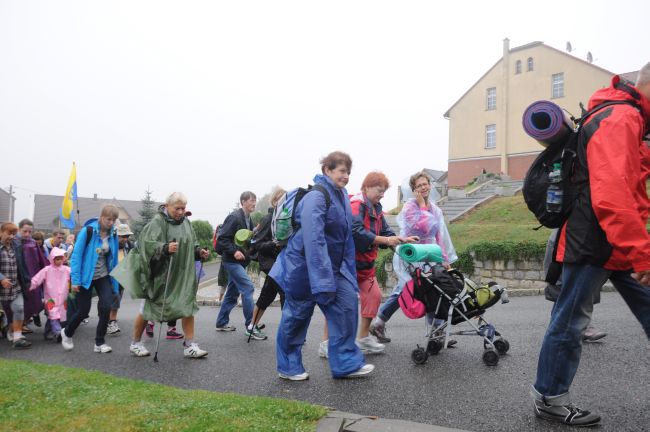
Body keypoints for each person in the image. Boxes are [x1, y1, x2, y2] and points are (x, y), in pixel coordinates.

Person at [531, 68, 650, 427]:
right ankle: (550, 397)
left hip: (613, 239)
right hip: (594, 238)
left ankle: (549, 393)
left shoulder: (625, 115)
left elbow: (631, 181)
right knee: (570, 320)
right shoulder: (621, 116)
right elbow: (613, 195)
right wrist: (642, 252)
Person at [270, 151, 374, 380]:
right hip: (302, 268)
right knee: (296, 317)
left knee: (347, 306)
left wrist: (346, 272)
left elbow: (345, 238)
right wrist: (323, 281)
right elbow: (313, 240)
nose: (346, 176)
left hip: (332, 268)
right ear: (327, 170)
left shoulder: (341, 196)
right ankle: (288, 366)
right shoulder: (317, 197)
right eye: (341, 171)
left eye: (348, 171)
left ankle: (346, 363)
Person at [112, 192, 210, 358]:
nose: (180, 212)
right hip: (160, 276)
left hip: (181, 276)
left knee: (187, 306)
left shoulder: (186, 222)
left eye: (183, 208)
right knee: (147, 309)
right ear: (167, 206)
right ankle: (135, 343)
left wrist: (199, 252)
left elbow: (191, 244)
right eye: (177, 208)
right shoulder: (157, 222)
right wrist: (164, 248)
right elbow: (145, 246)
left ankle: (189, 345)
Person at [370, 170, 458, 344]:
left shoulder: (435, 209)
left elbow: (439, 235)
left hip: (430, 253)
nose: (423, 187)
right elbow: (424, 227)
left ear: (430, 185)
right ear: (413, 190)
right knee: (407, 288)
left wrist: (444, 258)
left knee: (433, 288)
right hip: (412, 254)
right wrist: (422, 206)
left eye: (425, 184)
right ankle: (379, 321)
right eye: (419, 186)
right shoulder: (410, 206)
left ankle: (436, 331)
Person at [349, 172, 418, 355]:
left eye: (384, 192)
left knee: (374, 297)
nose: (382, 195)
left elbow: (387, 231)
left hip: (365, 265)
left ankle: (363, 339)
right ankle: (329, 344)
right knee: (343, 306)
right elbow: (355, 232)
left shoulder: (376, 207)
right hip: (348, 265)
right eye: (379, 191)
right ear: (366, 187)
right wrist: (385, 241)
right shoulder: (357, 205)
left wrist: (402, 239)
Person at [60, 204, 120, 353]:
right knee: (83, 311)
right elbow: (76, 257)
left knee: (106, 306)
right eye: (108, 219)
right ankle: (67, 332)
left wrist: (115, 284)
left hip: (103, 276)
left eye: (114, 220)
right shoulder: (88, 231)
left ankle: (99, 342)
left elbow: (114, 260)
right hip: (85, 277)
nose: (111, 223)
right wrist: (75, 280)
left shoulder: (113, 234)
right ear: (101, 217)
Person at [543, 229, 606, 341]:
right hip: (563, 253)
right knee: (565, 291)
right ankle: (580, 327)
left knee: (573, 292)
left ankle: (563, 327)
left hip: (576, 247)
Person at [214, 191, 261, 338]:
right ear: (243, 202)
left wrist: (254, 232)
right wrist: (234, 252)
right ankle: (251, 326)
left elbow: (243, 239)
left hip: (240, 262)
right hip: (231, 261)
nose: (254, 203)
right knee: (248, 287)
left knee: (232, 293)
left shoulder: (248, 219)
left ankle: (221, 323)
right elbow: (222, 239)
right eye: (251, 200)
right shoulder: (234, 217)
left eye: (255, 200)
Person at [247, 188, 287, 340]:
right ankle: (287, 330)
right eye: (280, 199)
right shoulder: (268, 218)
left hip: (279, 262)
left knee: (267, 295)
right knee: (284, 292)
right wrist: (274, 244)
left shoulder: (284, 219)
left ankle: (251, 326)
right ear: (274, 201)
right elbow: (257, 244)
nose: (283, 202)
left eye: (285, 199)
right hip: (269, 263)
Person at [0, 222, 32, 348]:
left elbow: (22, 265)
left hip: (15, 286)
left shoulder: (17, 245)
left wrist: (27, 280)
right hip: (1, 287)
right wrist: (1, 278)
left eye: (14, 234)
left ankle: (17, 338)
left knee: (19, 309)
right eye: (9, 233)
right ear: (1, 232)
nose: (12, 237)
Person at [29, 247, 70, 340]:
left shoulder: (67, 270)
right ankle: (58, 332)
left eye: (61, 259)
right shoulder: (47, 270)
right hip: (51, 297)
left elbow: (74, 278)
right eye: (57, 259)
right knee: (53, 315)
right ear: (52, 259)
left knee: (57, 316)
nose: (59, 261)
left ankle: (48, 333)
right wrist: (29, 286)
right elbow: (37, 279)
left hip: (63, 298)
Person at [15, 219, 49, 332]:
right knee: (18, 305)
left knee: (36, 302)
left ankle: (23, 323)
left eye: (30, 232)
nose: (27, 234)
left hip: (32, 277)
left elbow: (42, 260)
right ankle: (15, 328)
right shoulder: (14, 242)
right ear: (19, 229)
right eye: (25, 231)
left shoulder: (33, 243)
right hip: (16, 278)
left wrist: (49, 271)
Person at [106, 224, 134, 336]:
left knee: (117, 299)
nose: (125, 239)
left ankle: (111, 321)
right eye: (122, 236)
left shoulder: (129, 246)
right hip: (108, 277)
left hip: (122, 277)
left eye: (126, 236)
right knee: (109, 300)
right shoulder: (108, 245)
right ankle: (109, 321)